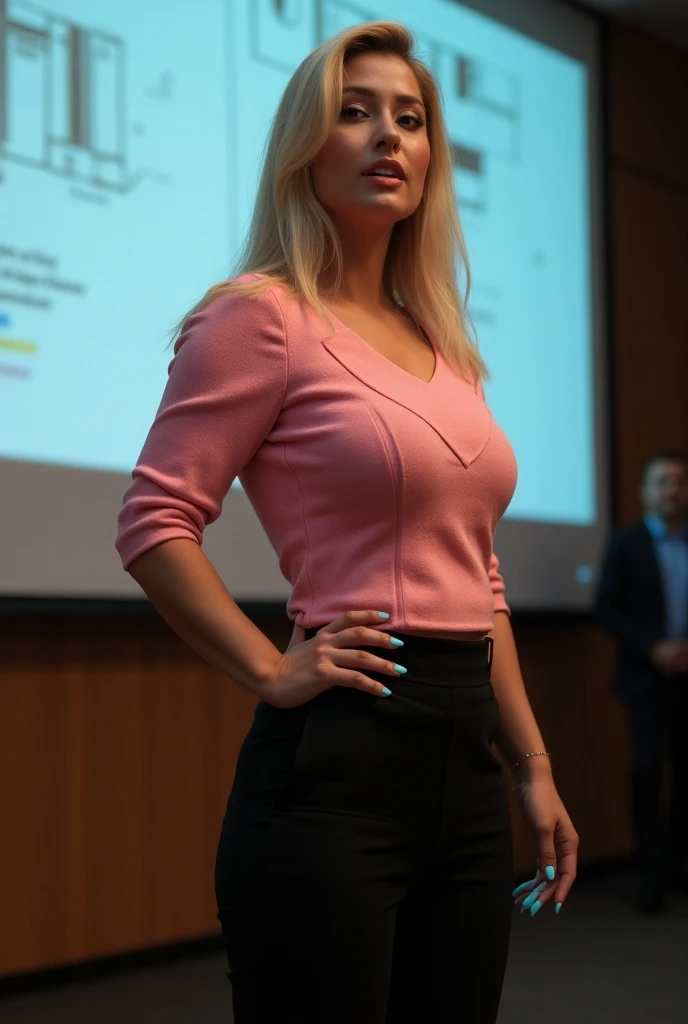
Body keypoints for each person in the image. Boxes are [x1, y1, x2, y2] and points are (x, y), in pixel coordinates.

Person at [115, 21, 578, 1024]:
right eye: (355, 111)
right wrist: (270, 666)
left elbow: (480, 580)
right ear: (303, 145)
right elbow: (154, 520)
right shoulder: (259, 316)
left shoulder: (444, 346)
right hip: (339, 770)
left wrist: (531, 768)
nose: (388, 137)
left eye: (409, 119)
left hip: (465, 770)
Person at [596, 452, 688, 914]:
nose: (672, 489)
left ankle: (677, 866)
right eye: (663, 481)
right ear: (645, 492)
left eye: (679, 482)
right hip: (645, 678)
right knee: (647, 773)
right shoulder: (625, 542)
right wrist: (653, 647)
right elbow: (606, 607)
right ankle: (649, 875)